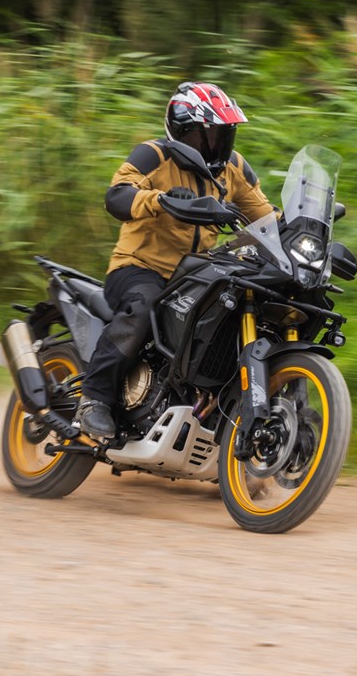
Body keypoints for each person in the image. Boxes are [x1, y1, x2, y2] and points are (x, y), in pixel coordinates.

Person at [76, 81, 274, 440]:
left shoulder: (233, 167)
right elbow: (117, 195)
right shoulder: (154, 155)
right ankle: (94, 399)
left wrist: (302, 231)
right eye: (205, 134)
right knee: (144, 306)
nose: (215, 143)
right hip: (139, 267)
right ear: (182, 130)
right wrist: (160, 200)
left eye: (222, 134)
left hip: (193, 275)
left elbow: (266, 217)